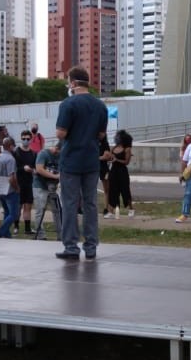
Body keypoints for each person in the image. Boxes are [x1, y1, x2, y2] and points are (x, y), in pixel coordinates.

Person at [55, 66, 109, 260]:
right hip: (91, 160)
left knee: (69, 204)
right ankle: (91, 246)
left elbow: (61, 133)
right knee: (90, 204)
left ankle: (71, 246)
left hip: (71, 161)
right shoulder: (100, 106)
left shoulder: (68, 104)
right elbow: (101, 135)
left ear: (74, 83)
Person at [32, 139, 61, 240]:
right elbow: (39, 169)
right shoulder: (43, 154)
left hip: (53, 187)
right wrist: (55, 176)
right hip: (40, 185)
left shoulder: (62, 156)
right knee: (40, 210)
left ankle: (60, 235)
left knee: (57, 211)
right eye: (59, 151)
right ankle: (41, 235)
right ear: (56, 148)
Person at [0, 137, 23, 235]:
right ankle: (0, 233)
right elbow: (11, 177)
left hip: (0, 189)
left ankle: (6, 235)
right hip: (10, 190)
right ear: (11, 146)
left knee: (6, 212)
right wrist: (17, 188)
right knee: (14, 214)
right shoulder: (10, 159)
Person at [106, 130, 135, 219]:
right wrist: (108, 158)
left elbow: (126, 162)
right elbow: (109, 158)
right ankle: (111, 211)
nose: (116, 138)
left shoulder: (127, 149)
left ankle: (131, 209)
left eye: (118, 137)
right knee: (112, 191)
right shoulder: (113, 148)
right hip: (113, 172)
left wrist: (117, 160)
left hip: (122, 172)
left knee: (125, 190)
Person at [15, 130, 38, 235]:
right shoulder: (16, 152)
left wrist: (32, 170)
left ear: (31, 139)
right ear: (21, 138)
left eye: (28, 139)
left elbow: (36, 167)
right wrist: (22, 168)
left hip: (29, 183)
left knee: (27, 206)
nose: (25, 141)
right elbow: (13, 167)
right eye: (23, 138)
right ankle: (16, 227)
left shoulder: (33, 153)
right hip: (18, 183)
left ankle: (27, 229)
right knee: (18, 206)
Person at [98, 134, 113, 218]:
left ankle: (106, 208)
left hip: (103, 168)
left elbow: (107, 156)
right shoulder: (92, 142)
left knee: (107, 189)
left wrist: (97, 158)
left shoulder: (105, 143)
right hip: (93, 167)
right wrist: (101, 157)